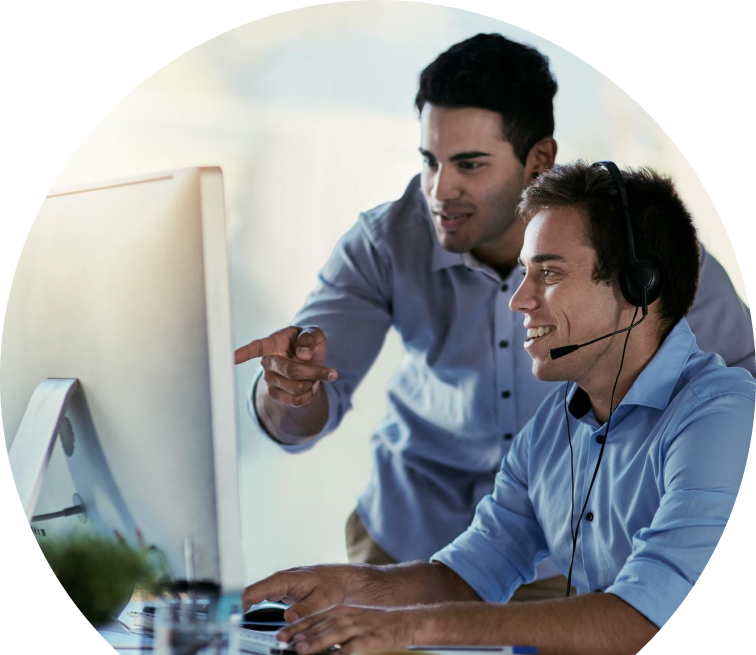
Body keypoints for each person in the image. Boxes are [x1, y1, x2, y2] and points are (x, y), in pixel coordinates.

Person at [234, 34, 755, 599]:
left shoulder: (635, 248)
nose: (440, 189)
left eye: (469, 164)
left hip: (562, 555)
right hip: (408, 541)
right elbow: (301, 411)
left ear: (540, 160)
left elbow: (741, 381)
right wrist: (289, 391)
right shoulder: (383, 241)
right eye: (429, 161)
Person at [241, 162, 755, 655]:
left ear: (638, 287)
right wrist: (347, 587)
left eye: (548, 273)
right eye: (524, 273)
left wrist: (414, 627)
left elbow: (649, 621)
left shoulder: (723, 419)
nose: (519, 300)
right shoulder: (554, 426)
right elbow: (468, 576)